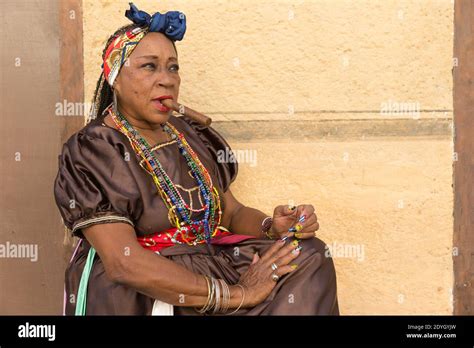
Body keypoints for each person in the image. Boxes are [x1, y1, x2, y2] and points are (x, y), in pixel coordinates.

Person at [54, 3, 339, 315]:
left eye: (172, 67)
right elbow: (124, 262)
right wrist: (237, 294)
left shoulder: (187, 134)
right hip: (151, 285)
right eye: (149, 66)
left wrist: (272, 226)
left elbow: (231, 213)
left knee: (308, 253)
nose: (166, 80)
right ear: (115, 78)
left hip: (211, 262)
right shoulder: (95, 147)